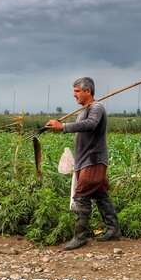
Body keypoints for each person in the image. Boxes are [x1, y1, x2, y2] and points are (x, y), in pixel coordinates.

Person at [45, 77, 121, 250]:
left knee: (81, 196)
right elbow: (82, 125)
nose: (74, 95)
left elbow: (91, 125)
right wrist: (59, 127)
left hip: (93, 160)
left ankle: (80, 237)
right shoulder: (83, 110)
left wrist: (63, 126)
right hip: (84, 161)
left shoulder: (96, 108)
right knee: (100, 194)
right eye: (74, 91)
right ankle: (113, 229)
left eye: (77, 91)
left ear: (88, 91)